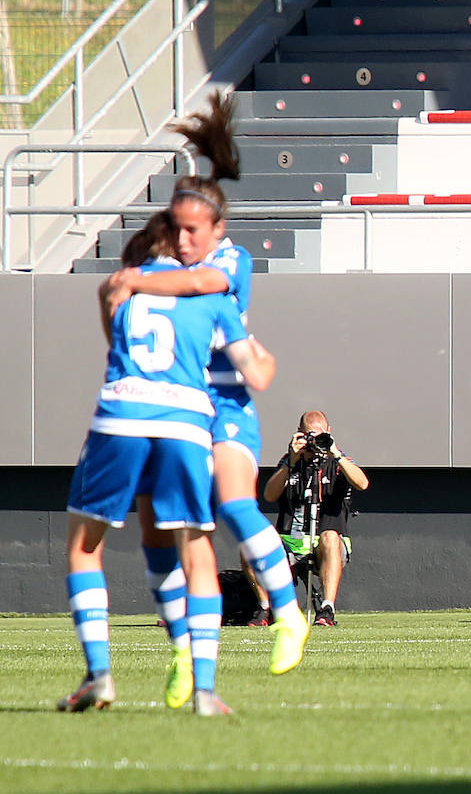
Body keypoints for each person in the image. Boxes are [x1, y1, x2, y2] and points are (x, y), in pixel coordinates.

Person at [104, 93, 309, 709]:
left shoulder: (228, 262)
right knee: (167, 531)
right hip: (171, 407)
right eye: (179, 226)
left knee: (234, 502)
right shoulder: (166, 259)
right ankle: (182, 653)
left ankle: (290, 614)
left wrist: (136, 277)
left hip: (225, 405)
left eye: (194, 228)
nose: (185, 237)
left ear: (218, 229)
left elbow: (200, 284)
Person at [60, 211, 275, 716]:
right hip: (184, 422)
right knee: (197, 549)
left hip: (122, 413)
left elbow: (116, 338)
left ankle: (100, 674)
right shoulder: (210, 298)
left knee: (85, 546)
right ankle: (204, 688)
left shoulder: (122, 287)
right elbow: (253, 370)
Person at [263, 411, 370, 626]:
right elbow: (269, 495)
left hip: (328, 540)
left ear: (329, 432)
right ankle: (267, 608)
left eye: (320, 436)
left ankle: (327, 608)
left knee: (330, 537)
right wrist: (291, 462)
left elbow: (362, 483)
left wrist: (335, 454)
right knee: (255, 542)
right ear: (300, 434)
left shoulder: (338, 462)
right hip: (292, 540)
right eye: (309, 437)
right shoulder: (290, 462)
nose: (315, 443)